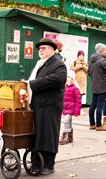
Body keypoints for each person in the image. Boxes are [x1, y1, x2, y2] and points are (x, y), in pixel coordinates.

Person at [27, 38, 67, 175]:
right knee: (38, 135)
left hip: (50, 106)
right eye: (39, 49)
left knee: (48, 135)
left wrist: (33, 84)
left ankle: (48, 165)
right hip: (38, 105)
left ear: (52, 50)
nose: (41, 51)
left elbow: (57, 79)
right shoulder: (40, 63)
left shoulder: (58, 64)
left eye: (43, 48)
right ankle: (37, 163)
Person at [88, 43, 106, 131]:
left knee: (93, 106)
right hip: (102, 86)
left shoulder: (91, 60)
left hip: (94, 85)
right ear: (101, 51)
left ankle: (92, 124)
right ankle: (99, 125)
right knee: (99, 106)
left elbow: (89, 73)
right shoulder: (102, 60)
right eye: (105, 50)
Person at [59, 70, 82, 145]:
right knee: (68, 122)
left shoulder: (74, 88)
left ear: (72, 79)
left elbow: (78, 100)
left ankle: (65, 136)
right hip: (65, 108)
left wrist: (77, 110)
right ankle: (70, 137)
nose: (67, 78)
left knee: (65, 121)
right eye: (67, 77)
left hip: (71, 108)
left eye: (69, 77)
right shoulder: (65, 87)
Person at [70, 50, 88, 115]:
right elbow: (71, 70)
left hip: (83, 82)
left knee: (80, 96)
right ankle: (74, 109)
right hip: (76, 82)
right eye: (80, 55)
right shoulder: (74, 62)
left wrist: (84, 67)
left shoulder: (85, 63)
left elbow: (87, 71)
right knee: (75, 96)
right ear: (78, 56)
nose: (81, 57)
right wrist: (78, 67)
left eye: (83, 56)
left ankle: (79, 109)